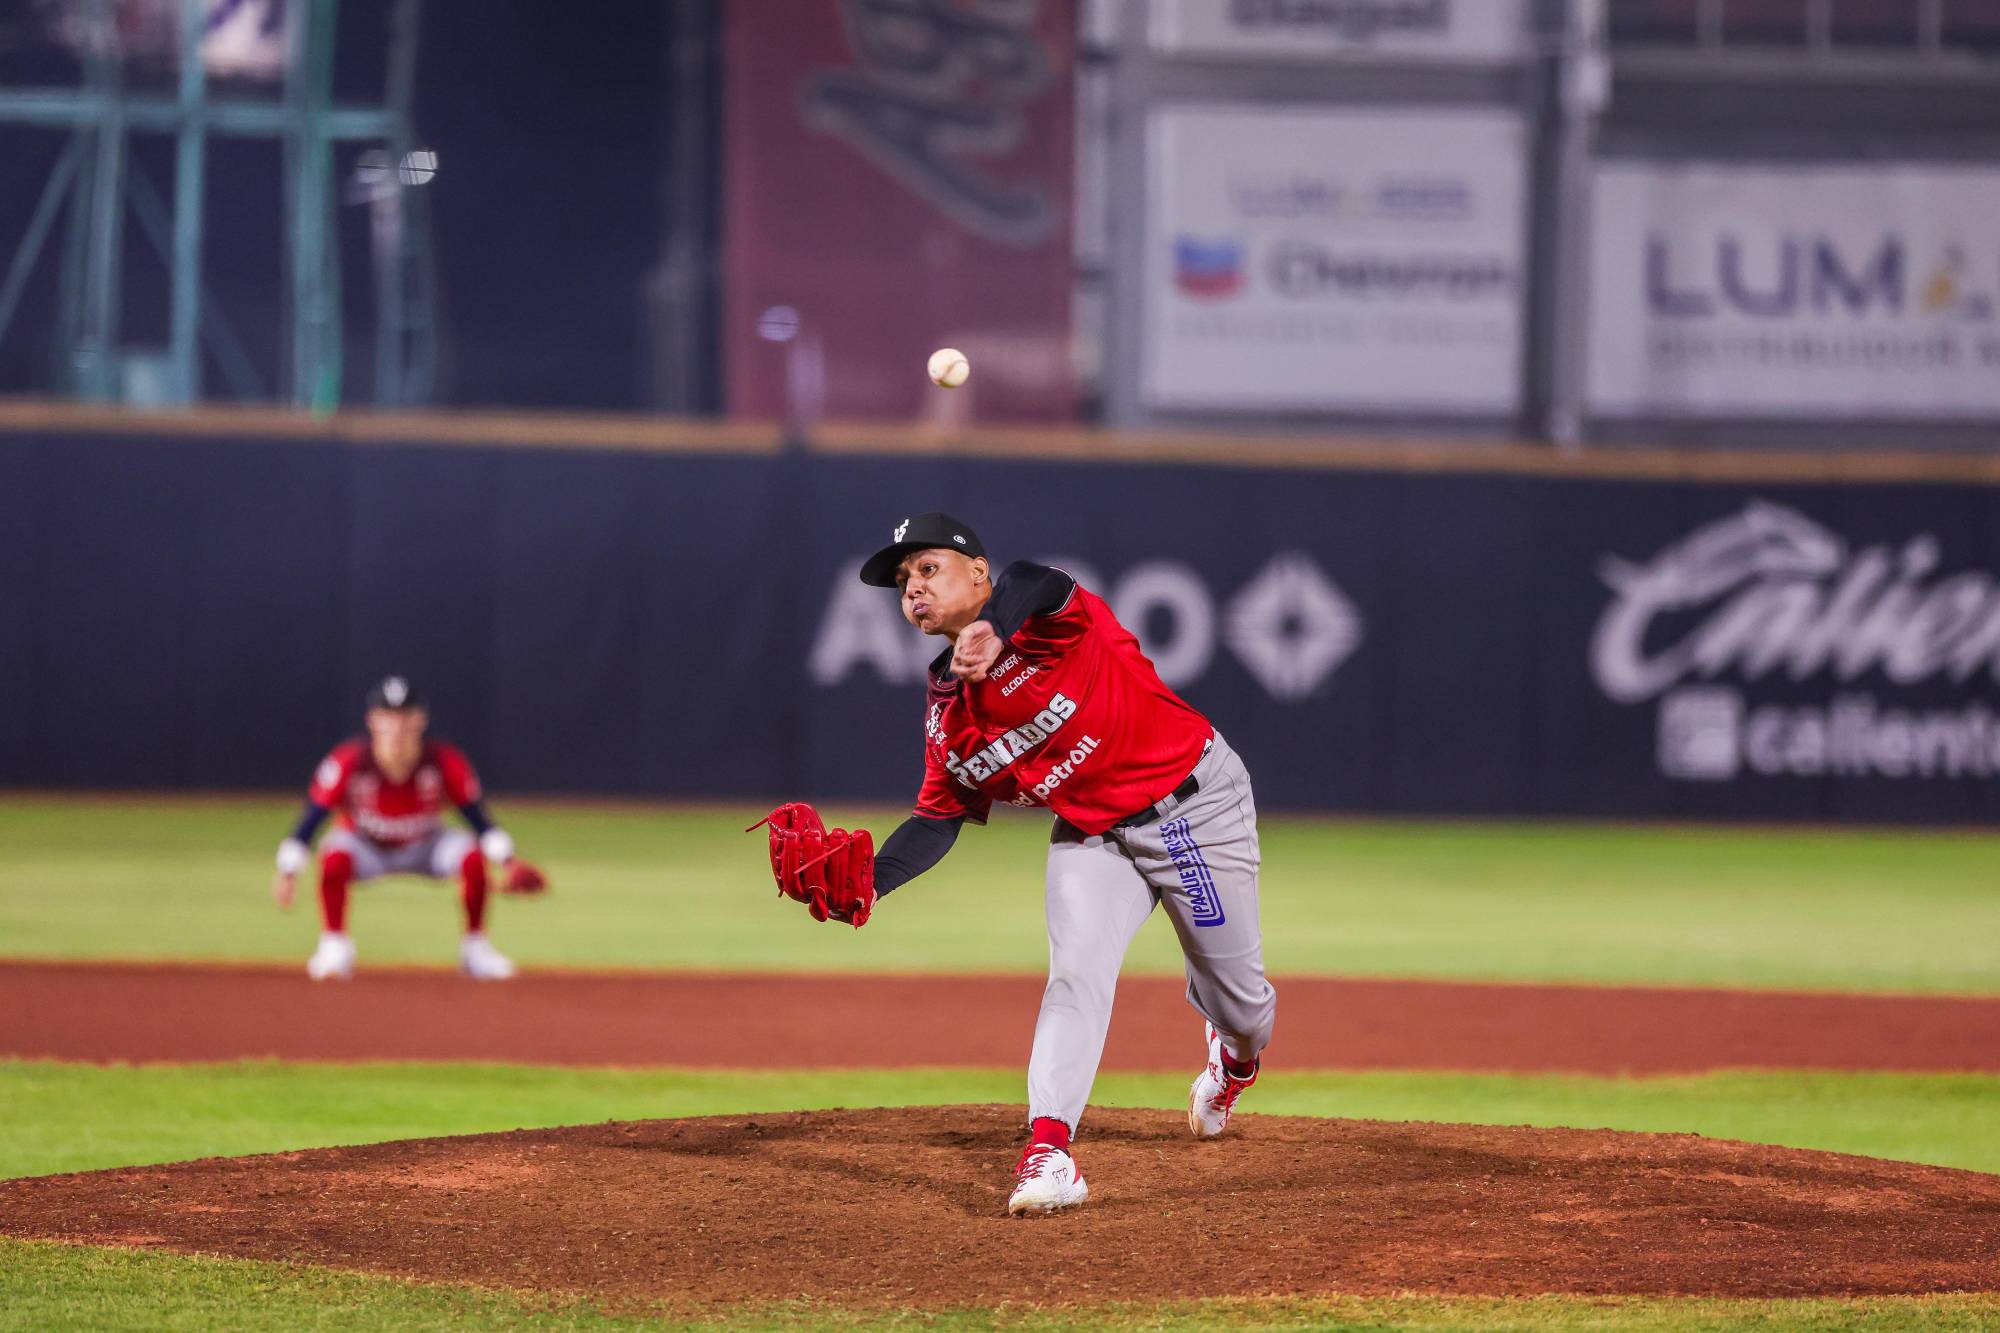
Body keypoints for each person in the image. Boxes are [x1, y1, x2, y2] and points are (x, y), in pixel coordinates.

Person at [859, 512, 1277, 1214]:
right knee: (1074, 977)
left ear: (979, 573)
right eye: (903, 582)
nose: (913, 589)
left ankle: (1232, 1061)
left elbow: (1041, 581)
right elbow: (938, 817)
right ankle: (1048, 1150)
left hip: (1192, 811)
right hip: (1094, 835)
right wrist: (870, 881)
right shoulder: (948, 712)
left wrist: (994, 626)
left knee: (1246, 1007)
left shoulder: (1044, 619)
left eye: (927, 568)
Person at [271, 676, 544, 981]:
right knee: (334, 853)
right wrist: (288, 871)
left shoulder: (442, 761)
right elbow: (311, 819)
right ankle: (334, 946)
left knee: (470, 852)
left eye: (405, 715)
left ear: (420, 719)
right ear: (372, 720)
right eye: (388, 715)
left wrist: (508, 860)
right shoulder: (349, 761)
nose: (397, 726)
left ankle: (476, 949)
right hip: (368, 847)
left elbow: (478, 819)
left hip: (424, 846)